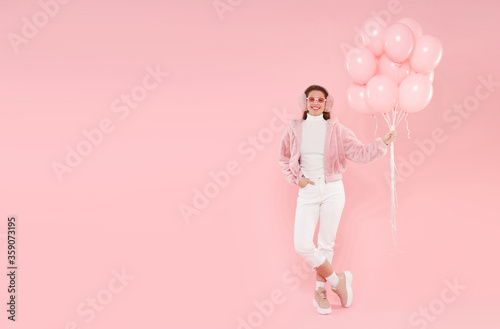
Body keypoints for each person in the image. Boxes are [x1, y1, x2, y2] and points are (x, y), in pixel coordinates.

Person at [278, 85, 396, 315]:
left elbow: (360, 152)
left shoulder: (337, 129)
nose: (315, 103)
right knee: (302, 245)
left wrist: (382, 143)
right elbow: (283, 159)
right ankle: (337, 280)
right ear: (304, 102)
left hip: (333, 190)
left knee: (325, 244)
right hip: (308, 191)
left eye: (320, 100)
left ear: (326, 104)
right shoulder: (293, 129)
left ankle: (320, 292)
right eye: (311, 99)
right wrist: (297, 179)